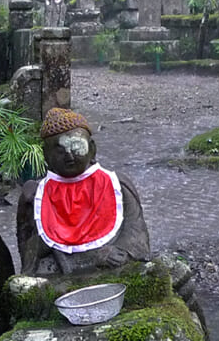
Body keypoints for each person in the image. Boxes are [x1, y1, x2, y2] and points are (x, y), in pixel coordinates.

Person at [17, 107, 150, 275]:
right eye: (60, 150)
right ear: (46, 155)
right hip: (60, 270)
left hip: (110, 267)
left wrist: (118, 251)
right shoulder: (35, 195)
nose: (69, 155)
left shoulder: (118, 185)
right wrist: (41, 246)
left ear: (92, 149)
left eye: (77, 146)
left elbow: (136, 235)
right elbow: (27, 250)